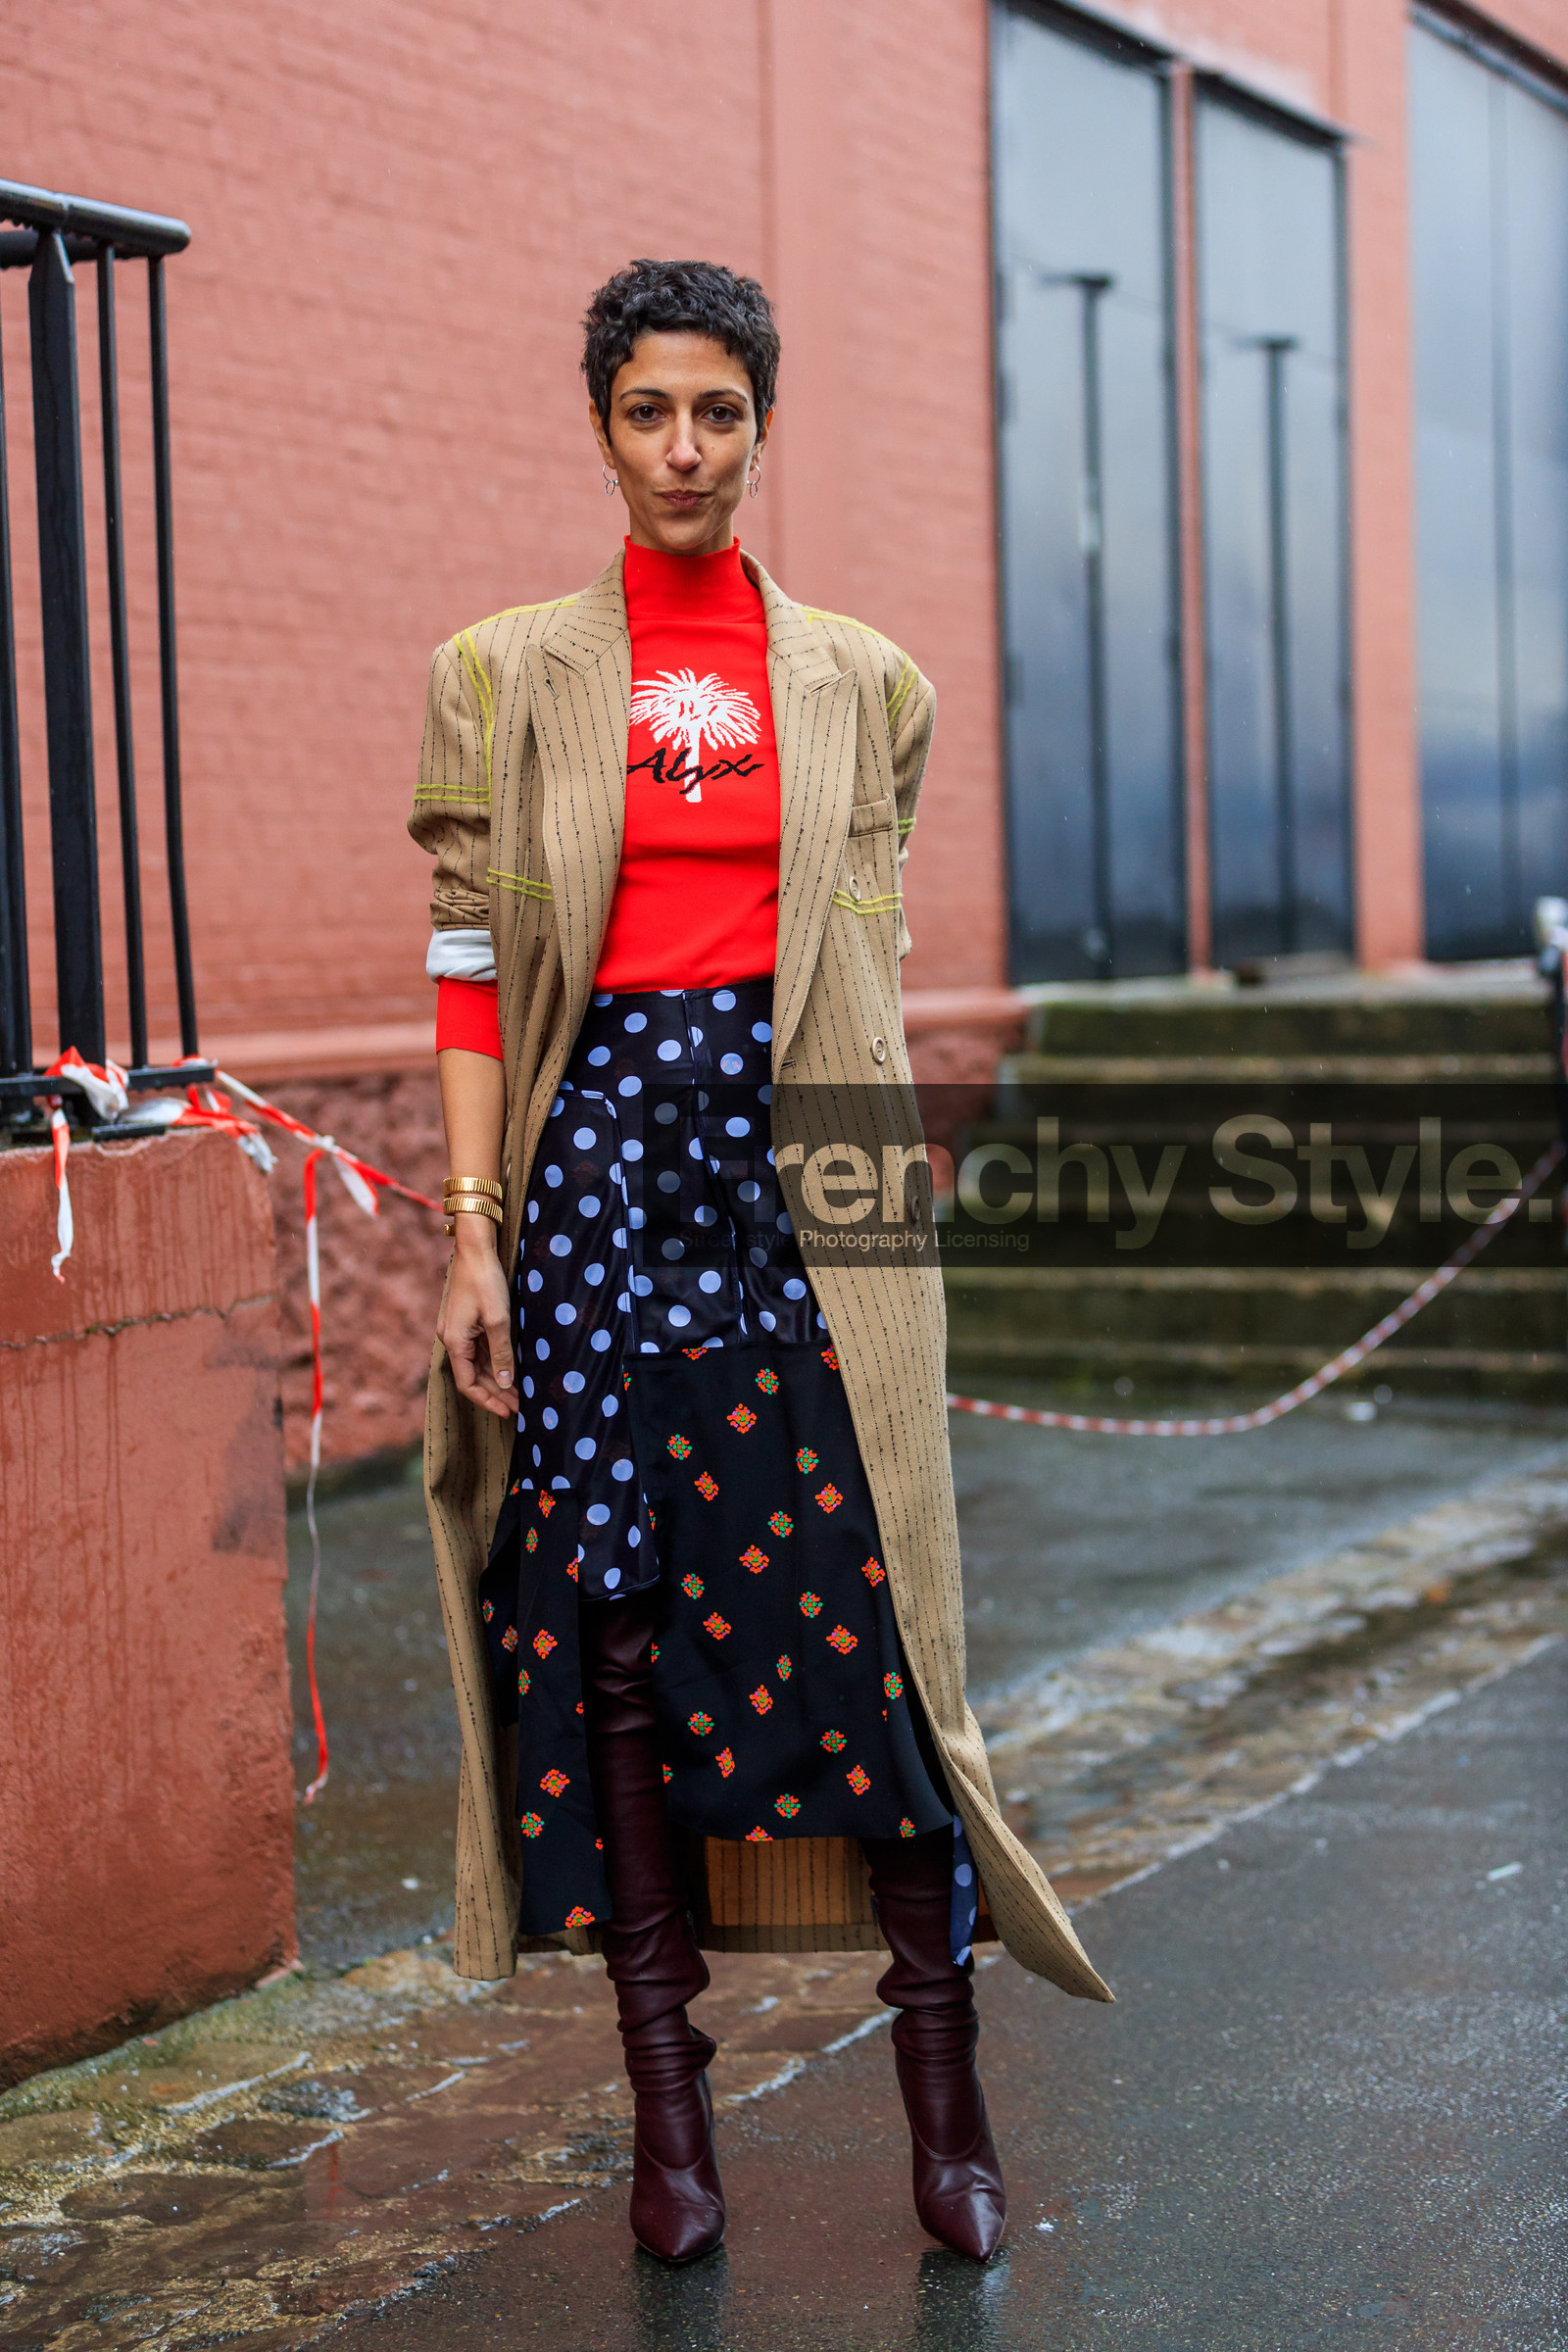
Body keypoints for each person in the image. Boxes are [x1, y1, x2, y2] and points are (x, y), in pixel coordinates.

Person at [410, 257, 1109, 2268]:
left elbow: (857, 984)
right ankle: (668, 2116)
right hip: (590, 1177)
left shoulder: (862, 685)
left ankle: (942, 2093)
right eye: (648, 411)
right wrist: (472, 1238)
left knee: (869, 1610)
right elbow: (470, 970)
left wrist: (890, 1244)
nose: (685, 448)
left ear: (761, 425)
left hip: (812, 1159)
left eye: (718, 412)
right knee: (613, 1633)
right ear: (600, 422)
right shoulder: (501, 674)